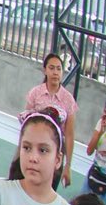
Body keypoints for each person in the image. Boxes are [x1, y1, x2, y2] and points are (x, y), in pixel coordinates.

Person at [24, 52, 79, 184]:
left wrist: (68, 165)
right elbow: (25, 123)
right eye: (52, 68)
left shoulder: (68, 100)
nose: (55, 72)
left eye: (59, 69)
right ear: (45, 70)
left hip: (54, 157)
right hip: (33, 152)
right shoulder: (35, 93)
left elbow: (70, 135)